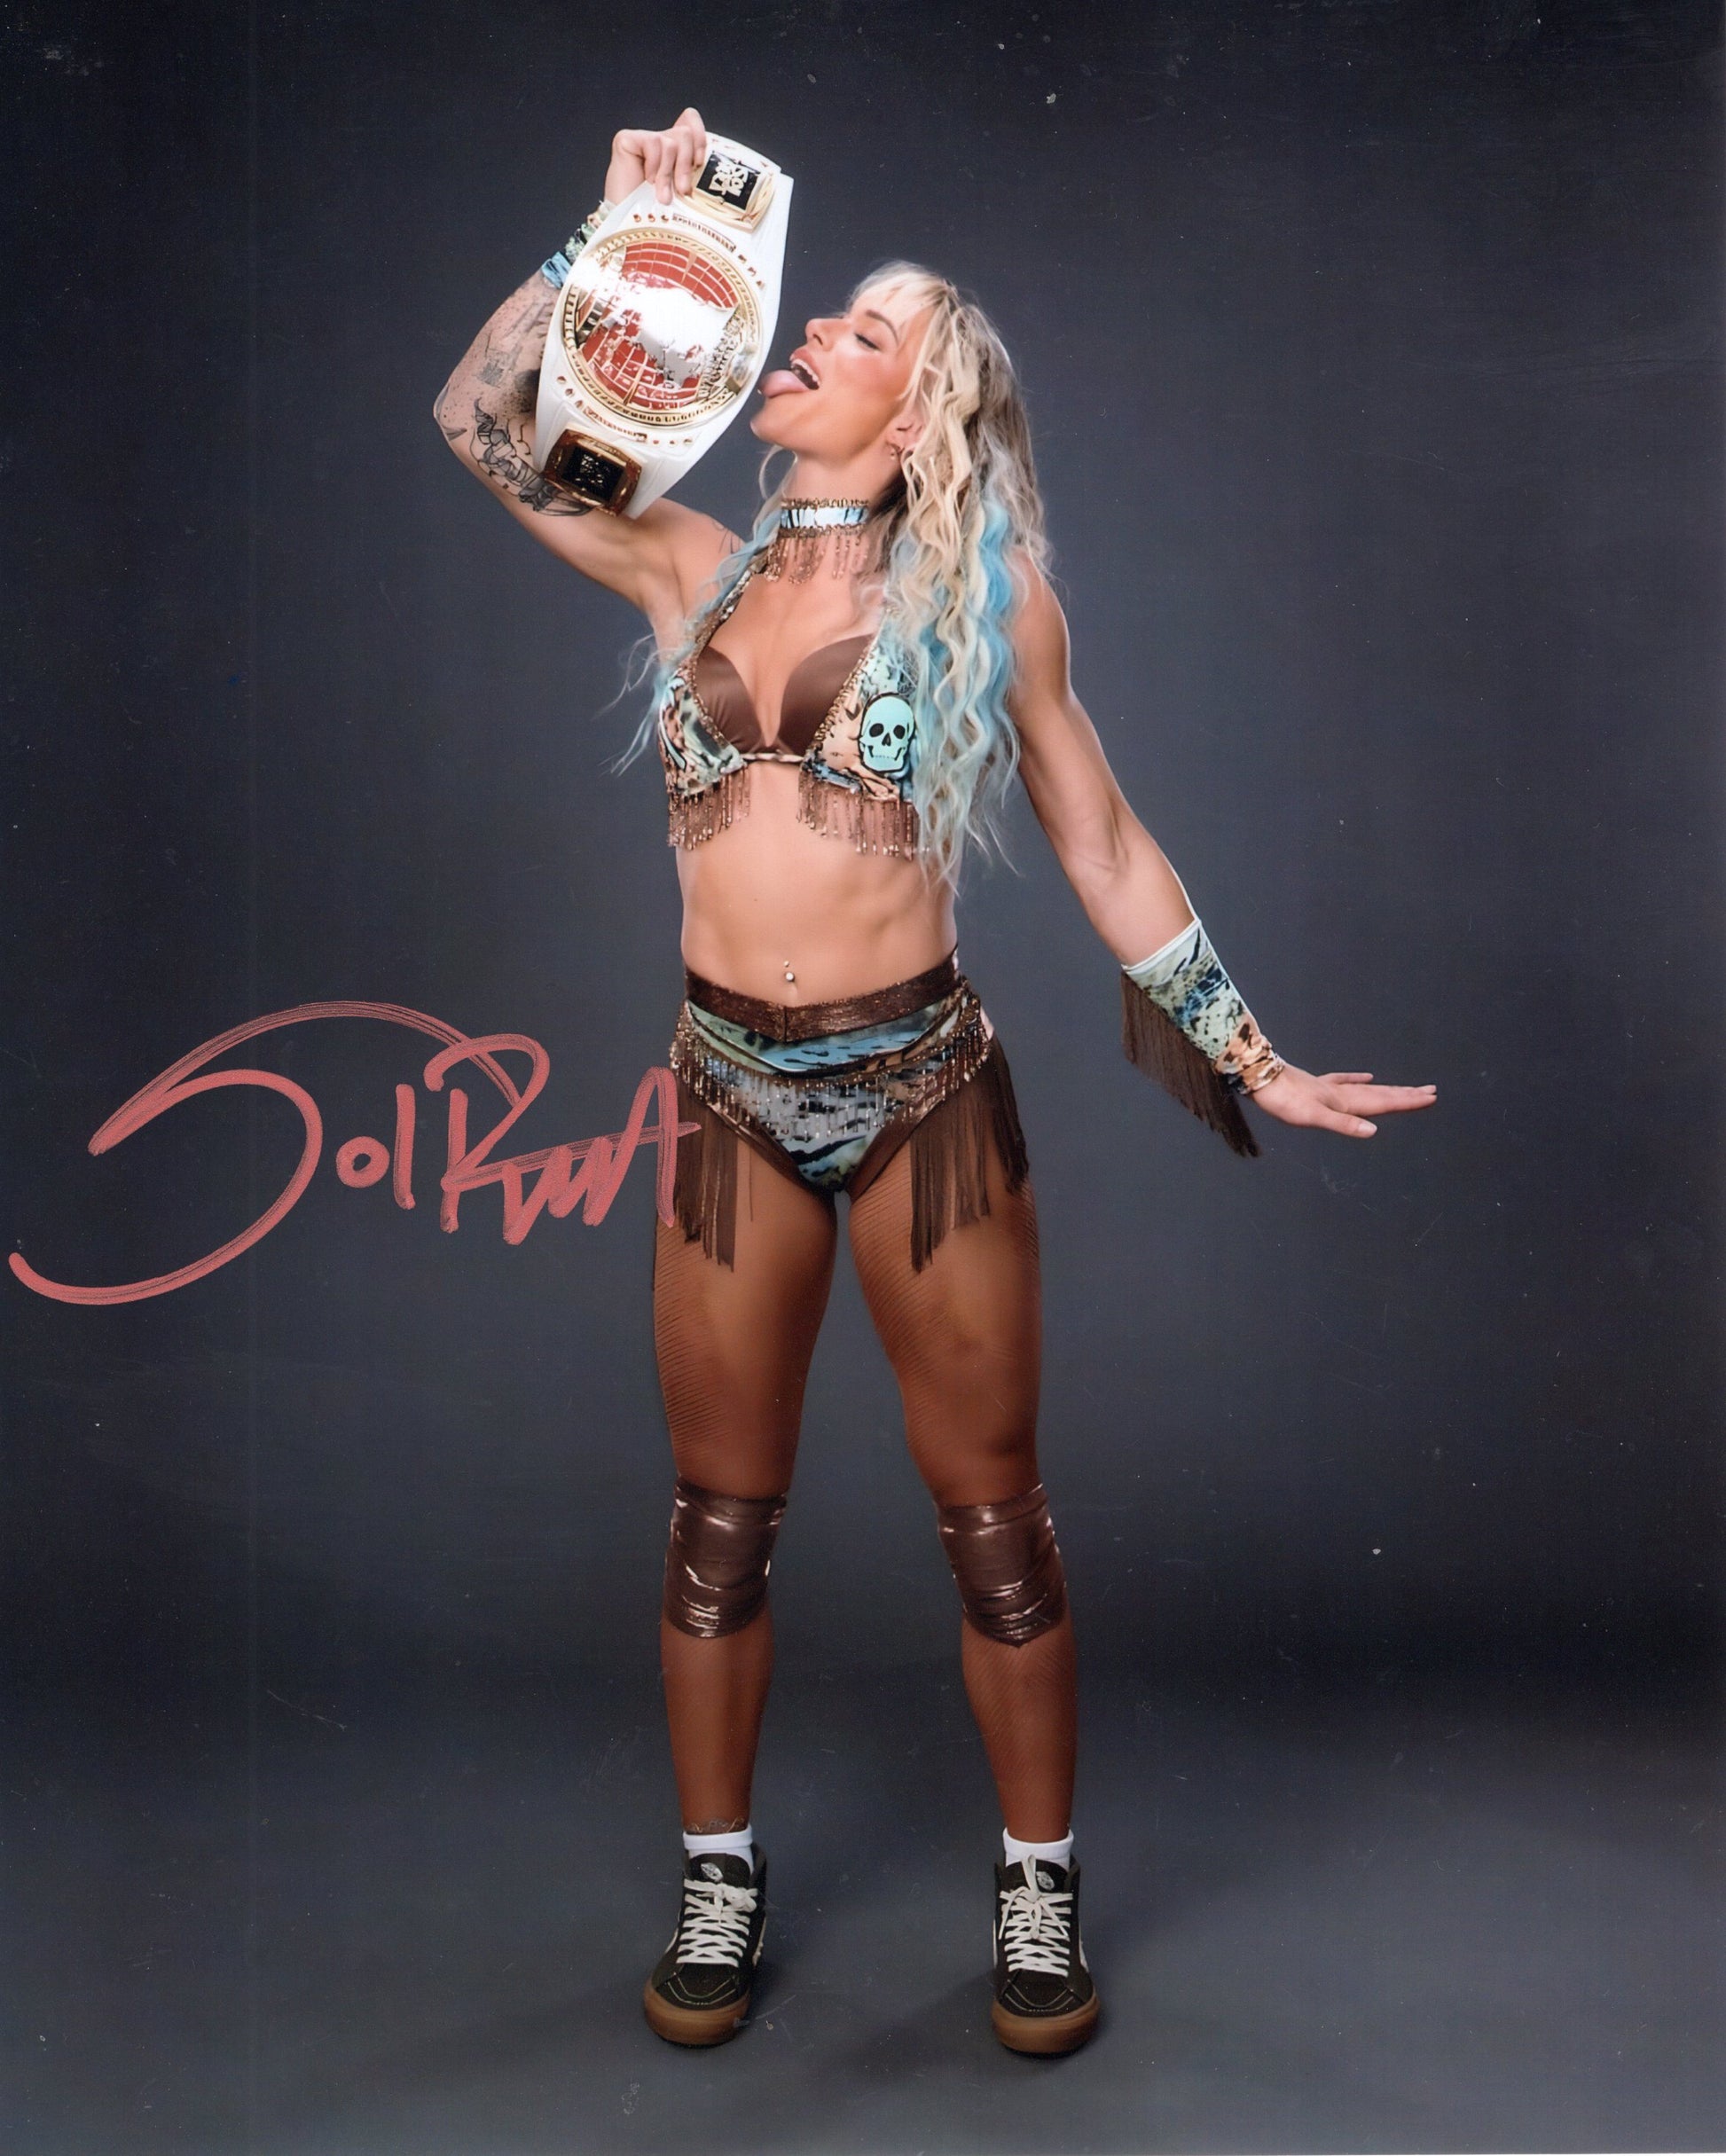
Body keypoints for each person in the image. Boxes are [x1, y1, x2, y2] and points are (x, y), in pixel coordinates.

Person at [433, 106, 1438, 2058]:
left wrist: (1254, 1054)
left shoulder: (990, 603)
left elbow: (1102, 840)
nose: (805, 334)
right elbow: (483, 426)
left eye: (859, 331)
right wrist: (608, 242)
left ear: (921, 412)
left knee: (994, 1521)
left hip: (921, 1098)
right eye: (816, 316)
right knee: (715, 1523)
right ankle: (717, 1876)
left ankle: (1035, 1888)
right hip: (726, 1094)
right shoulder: (687, 565)